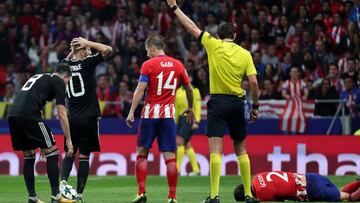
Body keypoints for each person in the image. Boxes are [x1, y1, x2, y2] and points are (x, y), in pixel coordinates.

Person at [166, 1, 260, 202]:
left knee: (216, 150)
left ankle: (215, 196)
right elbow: (253, 81)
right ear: (234, 36)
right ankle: (249, 195)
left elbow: (191, 26)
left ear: (218, 36)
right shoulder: (245, 54)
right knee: (241, 149)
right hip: (238, 103)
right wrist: (256, 106)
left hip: (218, 103)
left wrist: (174, 8)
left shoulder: (213, 44)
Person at [126, 34, 194, 203]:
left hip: (150, 115)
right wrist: (191, 107)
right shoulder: (178, 65)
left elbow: (140, 89)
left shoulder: (148, 64)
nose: (147, 54)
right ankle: (172, 197)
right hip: (168, 117)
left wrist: (131, 111)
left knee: (142, 153)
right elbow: (189, 89)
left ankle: (141, 193)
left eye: (148, 51)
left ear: (153, 48)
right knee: (170, 157)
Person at [7, 64, 74, 203]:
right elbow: (62, 113)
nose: (66, 84)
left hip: (13, 115)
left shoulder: (40, 77)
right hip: (28, 116)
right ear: (65, 76)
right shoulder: (59, 81)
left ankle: (32, 197)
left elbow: (35, 104)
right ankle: (56, 196)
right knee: (53, 152)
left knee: (29, 156)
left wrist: (42, 141)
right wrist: (68, 139)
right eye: (68, 81)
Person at [60, 37, 113, 202]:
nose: (89, 52)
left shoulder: (63, 67)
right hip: (89, 117)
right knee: (84, 156)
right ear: (82, 50)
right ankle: (80, 195)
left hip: (72, 118)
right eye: (87, 50)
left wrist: (75, 48)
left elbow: (69, 58)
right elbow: (108, 50)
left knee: (69, 153)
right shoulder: (87, 63)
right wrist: (87, 43)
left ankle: (61, 188)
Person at [234, 171, 360, 202]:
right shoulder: (257, 176)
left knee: (350, 198)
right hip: (311, 177)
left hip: (310, 191)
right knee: (339, 191)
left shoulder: (261, 194)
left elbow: (280, 201)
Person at [175, 77, 202, 176]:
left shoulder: (195, 91)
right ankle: (196, 170)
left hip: (189, 118)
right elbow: (176, 107)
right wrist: (175, 121)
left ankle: (177, 170)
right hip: (180, 120)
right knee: (187, 144)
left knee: (179, 142)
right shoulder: (178, 92)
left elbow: (197, 106)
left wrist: (197, 121)